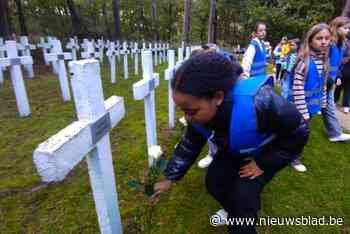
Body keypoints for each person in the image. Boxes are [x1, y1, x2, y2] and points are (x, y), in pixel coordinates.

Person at [151, 51, 309, 234]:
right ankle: (232, 210)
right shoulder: (198, 114)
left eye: (191, 111)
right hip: (235, 149)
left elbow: (299, 131)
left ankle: (242, 218)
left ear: (218, 97)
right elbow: (189, 145)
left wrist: (263, 163)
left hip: (267, 152)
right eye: (182, 110)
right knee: (214, 182)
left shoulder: (261, 100)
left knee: (243, 198)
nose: (187, 117)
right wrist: (170, 177)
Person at [322, 16, 350, 142]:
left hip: (332, 79)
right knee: (314, 105)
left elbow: (337, 64)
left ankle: (335, 133)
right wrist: (325, 78)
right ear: (336, 27)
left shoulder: (342, 44)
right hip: (323, 79)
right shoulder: (329, 43)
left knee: (328, 106)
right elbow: (325, 62)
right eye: (345, 28)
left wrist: (337, 76)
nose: (348, 30)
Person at [335, 38, 350, 113]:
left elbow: (340, 61)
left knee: (338, 87)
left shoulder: (344, 47)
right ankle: (346, 107)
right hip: (346, 74)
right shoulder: (345, 46)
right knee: (347, 90)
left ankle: (334, 102)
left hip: (341, 73)